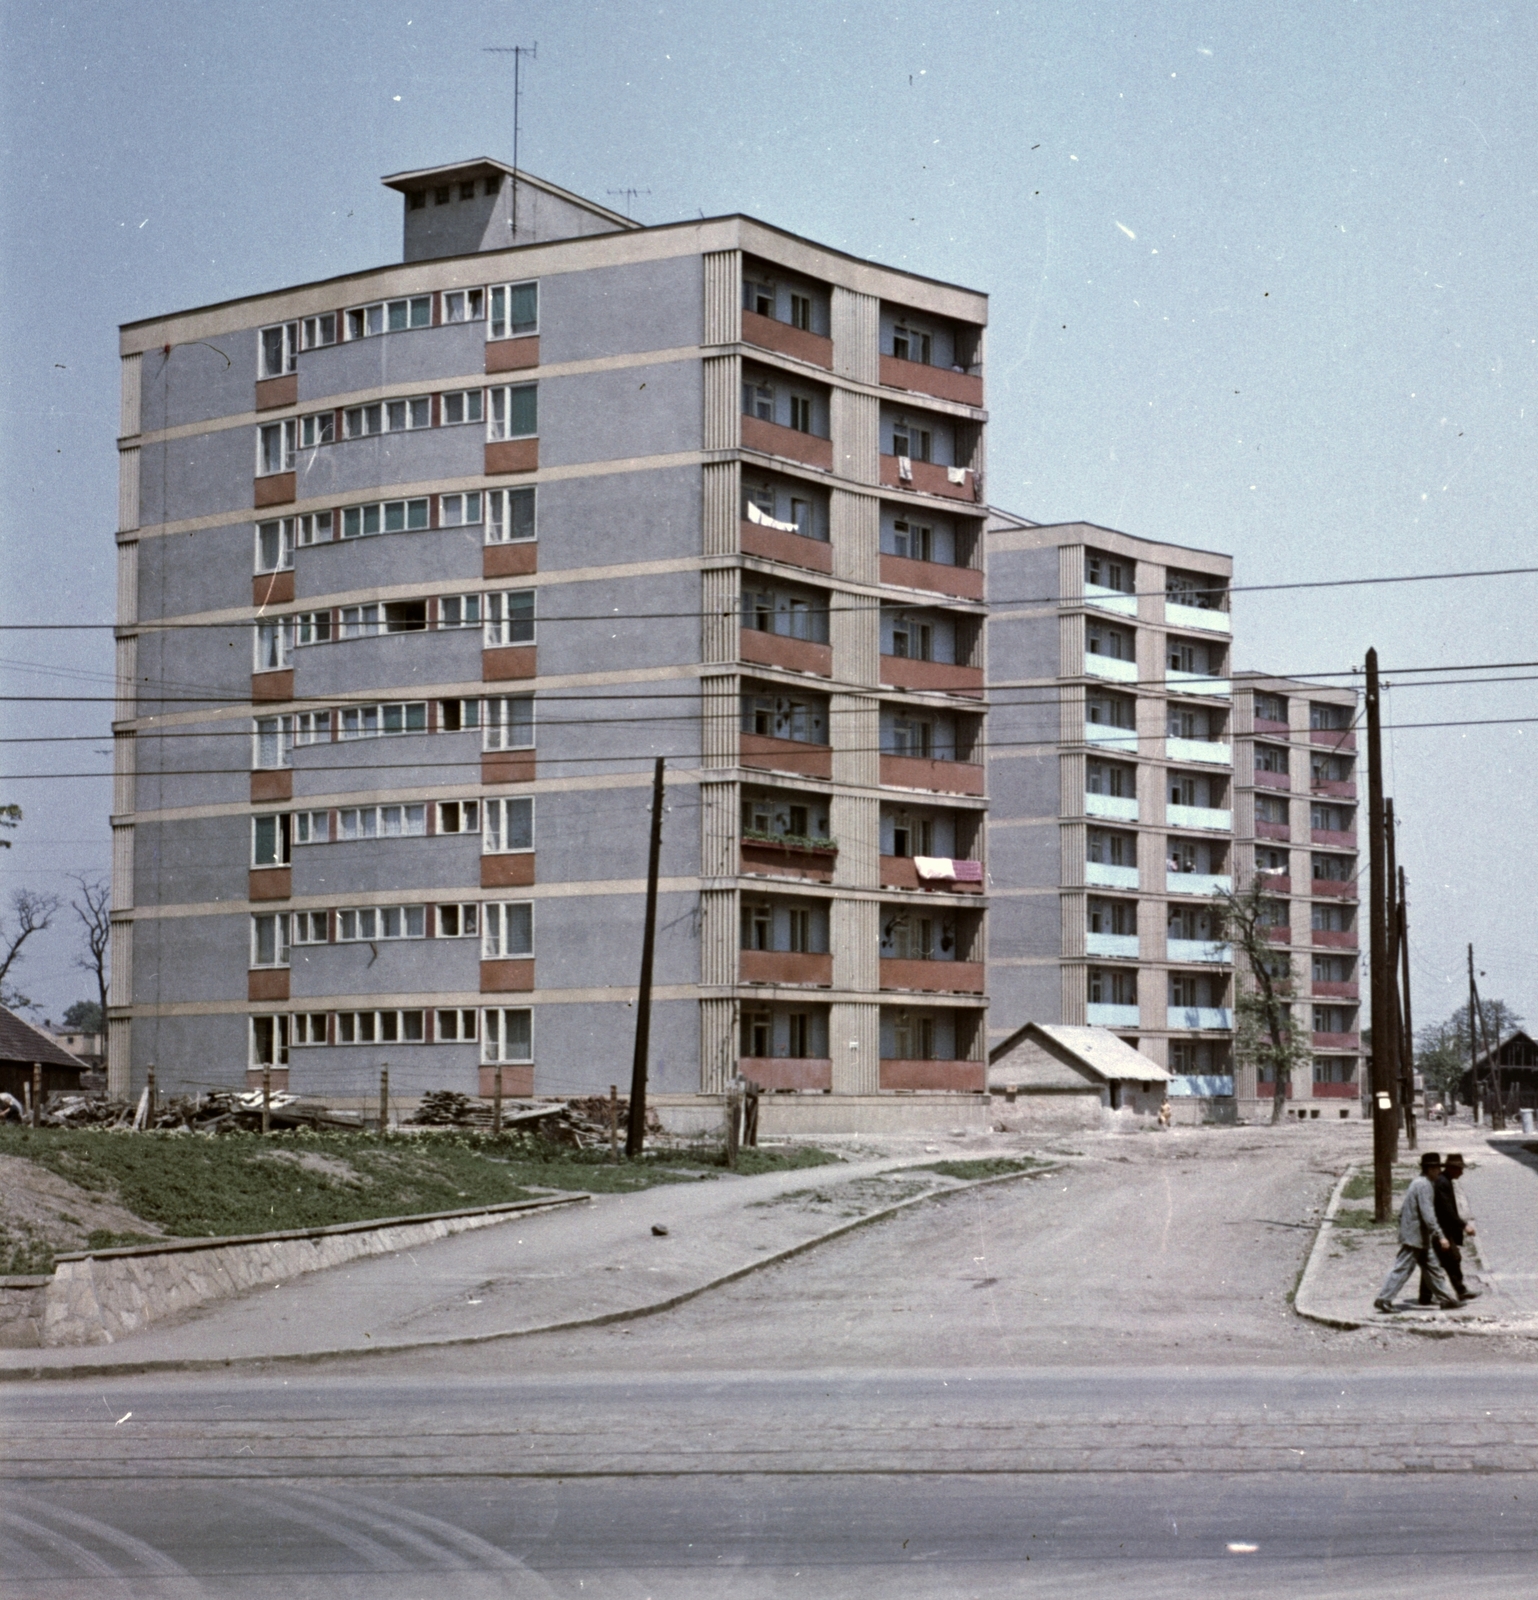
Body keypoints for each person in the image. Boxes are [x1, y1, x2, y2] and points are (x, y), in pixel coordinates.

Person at [1374, 1151, 1460, 1313]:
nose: (1438, 1172)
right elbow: (1428, 1214)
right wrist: (1441, 1236)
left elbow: (1403, 1212)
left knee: (1433, 1268)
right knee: (1403, 1268)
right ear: (1429, 1169)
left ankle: (1446, 1300)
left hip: (1419, 1236)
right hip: (1415, 1235)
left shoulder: (1420, 1183)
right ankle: (1384, 1299)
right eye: (1436, 1169)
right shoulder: (1424, 1185)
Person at [1419, 1151, 1479, 1303]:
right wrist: (1464, 1225)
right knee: (1452, 1258)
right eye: (1459, 1169)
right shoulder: (1442, 1182)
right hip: (1440, 1229)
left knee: (1436, 1261)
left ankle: (1425, 1296)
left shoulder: (1445, 1180)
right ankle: (1460, 1290)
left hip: (1440, 1228)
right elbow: (1447, 1210)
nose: (1462, 1172)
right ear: (1451, 1168)